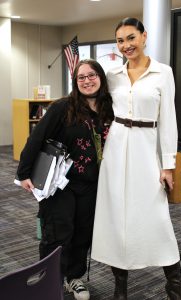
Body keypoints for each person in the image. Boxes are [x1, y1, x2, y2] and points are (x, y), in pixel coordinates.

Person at [91, 17, 181, 300]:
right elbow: (98, 109)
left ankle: (174, 287)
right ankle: (120, 287)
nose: (126, 45)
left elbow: (168, 120)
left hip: (147, 149)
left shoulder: (162, 73)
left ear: (144, 37)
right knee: (116, 218)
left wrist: (168, 165)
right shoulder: (113, 75)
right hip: (117, 149)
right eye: (120, 40)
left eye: (131, 38)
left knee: (156, 218)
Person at [16, 59, 114, 300]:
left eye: (92, 75)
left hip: (92, 183)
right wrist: (24, 173)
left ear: (100, 78)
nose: (87, 81)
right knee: (58, 233)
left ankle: (74, 278)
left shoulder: (109, 109)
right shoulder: (63, 107)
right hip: (59, 184)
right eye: (81, 77)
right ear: (75, 82)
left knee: (83, 232)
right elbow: (36, 138)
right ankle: (50, 282)